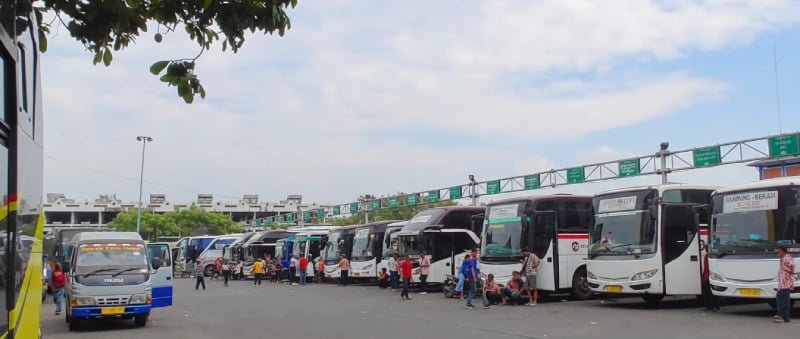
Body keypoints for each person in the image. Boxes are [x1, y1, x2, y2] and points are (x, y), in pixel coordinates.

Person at [774, 245, 795, 323]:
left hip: (786, 283)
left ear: (784, 251)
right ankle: (780, 314)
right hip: (782, 283)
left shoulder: (787, 258)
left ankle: (784, 317)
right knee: (780, 298)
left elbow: (792, 268)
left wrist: (785, 269)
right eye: (777, 252)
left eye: (779, 252)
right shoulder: (783, 258)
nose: (778, 254)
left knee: (784, 301)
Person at [700, 240, 719, 311]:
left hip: (710, 276)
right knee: (706, 293)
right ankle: (709, 306)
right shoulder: (706, 256)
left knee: (712, 293)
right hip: (706, 276)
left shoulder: (711, 257)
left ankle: (715, 306)